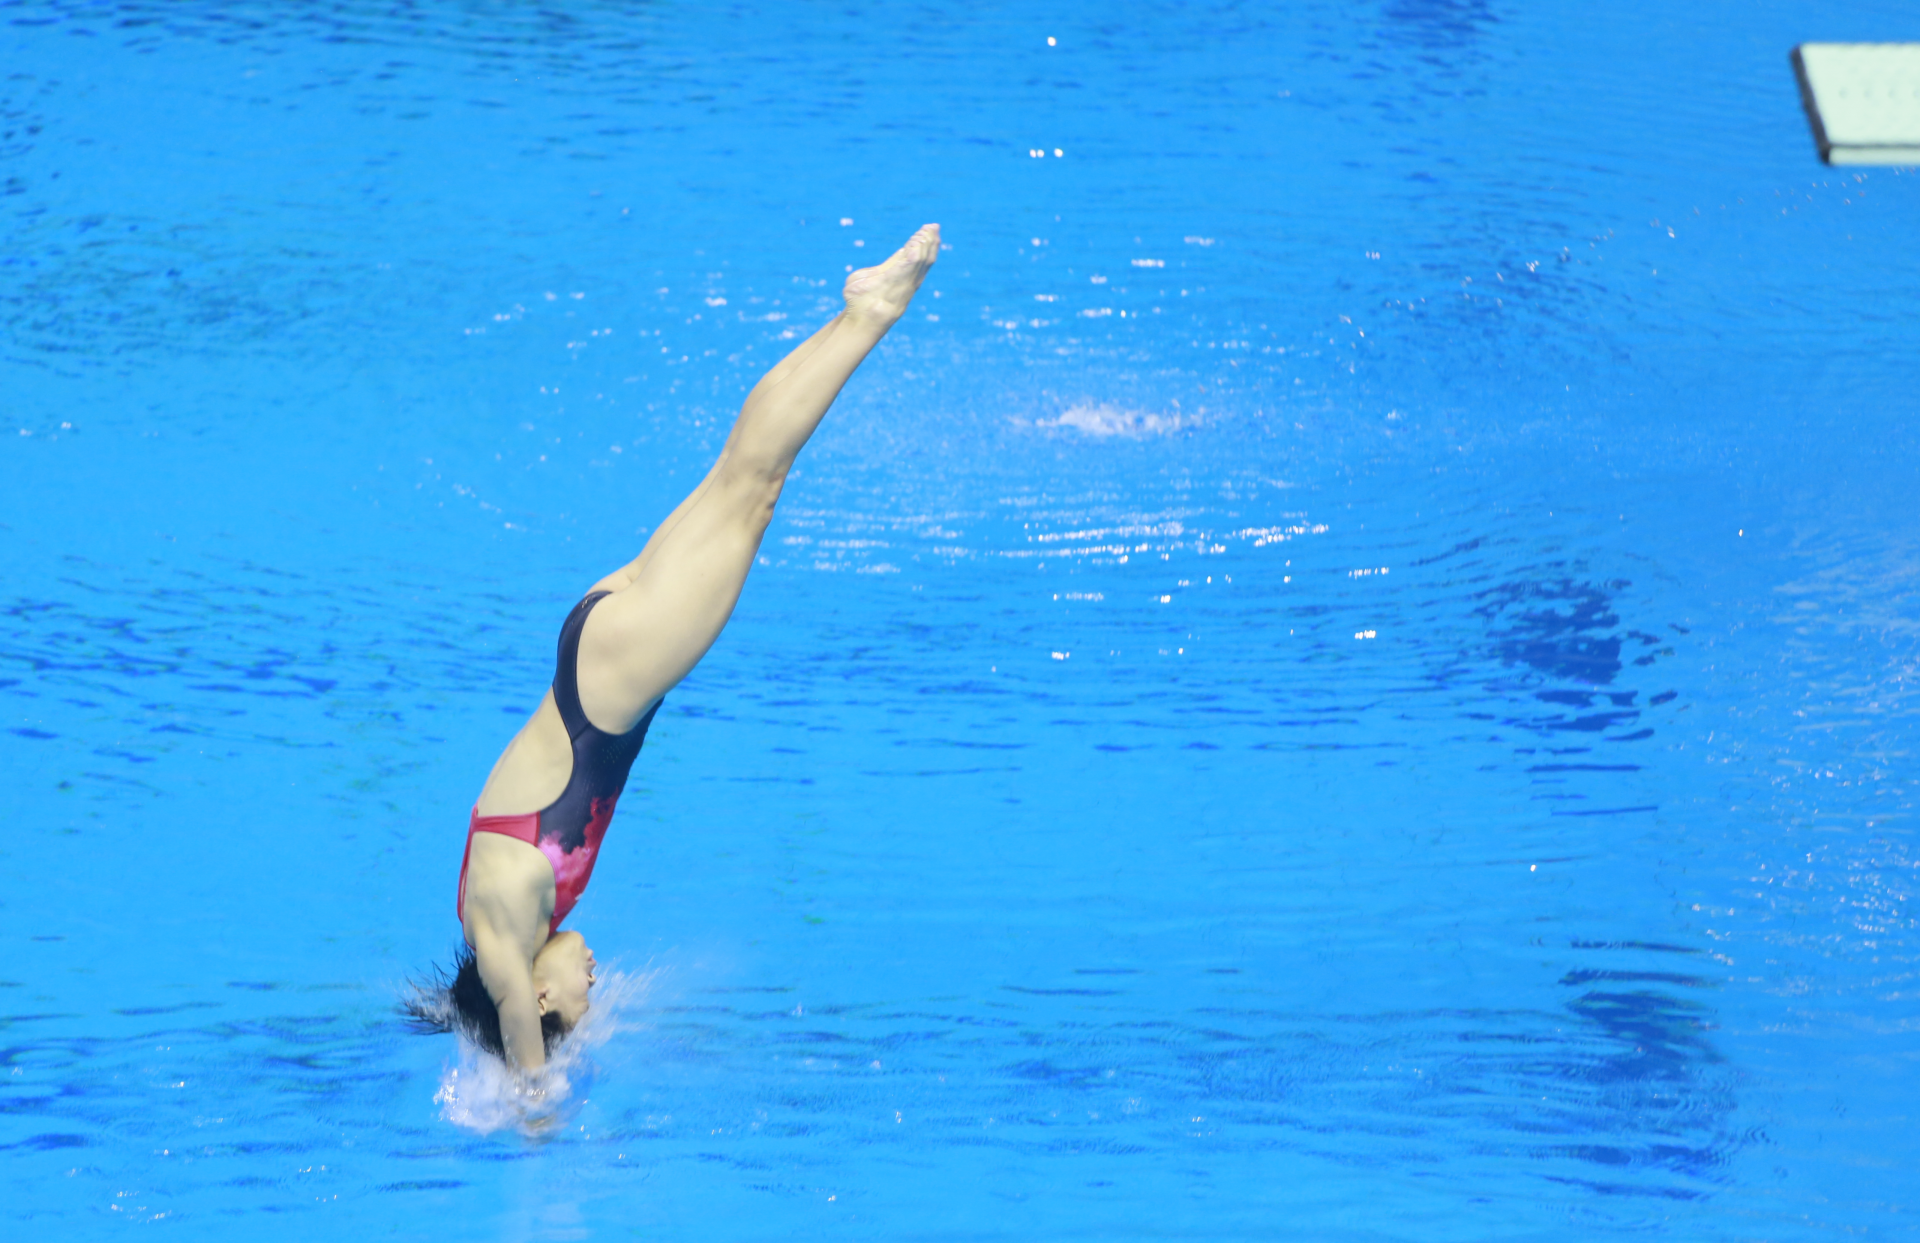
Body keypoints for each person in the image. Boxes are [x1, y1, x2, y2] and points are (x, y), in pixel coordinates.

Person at [406, 224, 940, 1070]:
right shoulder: (494, 916)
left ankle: (869, 314)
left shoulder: (505, 934)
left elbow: (515, 1043)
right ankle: (858, 316)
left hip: (611, 684)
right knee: (744, 484)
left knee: (754, 483)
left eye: (580, 998)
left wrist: (535, 1110)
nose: (594, 977)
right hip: (597, 660)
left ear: (539, 999)